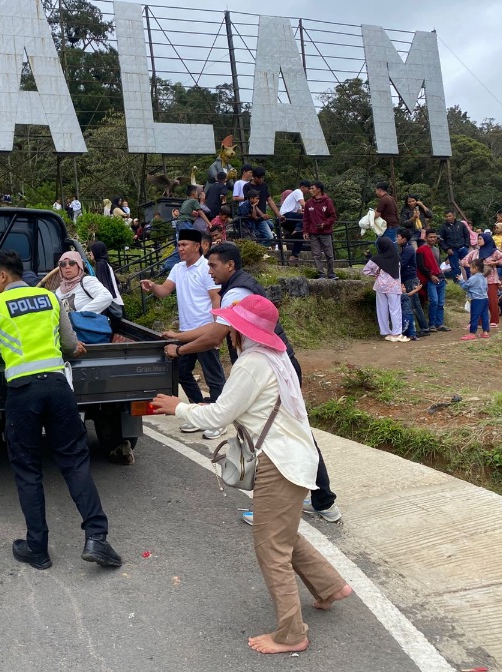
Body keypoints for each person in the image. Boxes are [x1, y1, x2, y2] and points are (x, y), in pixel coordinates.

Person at [151, 295, 352, 655]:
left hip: (279, 462)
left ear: (238, 331)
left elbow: (217, 418)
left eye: (230, 326)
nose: (227, 332)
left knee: (270, 546)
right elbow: (234, 408)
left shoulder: (250, 364)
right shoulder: (276, 358)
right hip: (297, 457)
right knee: (282, 533)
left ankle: (292, 635)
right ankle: (330, 586)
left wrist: (177, 407)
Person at [0, 250, 121, 569]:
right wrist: (74, 348)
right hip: (58, 389)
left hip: (23, 393)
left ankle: (37, 548)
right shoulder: (49, 298)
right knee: (74, 463)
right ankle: (97, 538)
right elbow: (70, 345)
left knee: (28, 470)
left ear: (3, 276)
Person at [161, 243, 342, 521]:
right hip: (282, 362)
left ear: (230, 265)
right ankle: (319, 502)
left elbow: (214, 337)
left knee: (273, 436)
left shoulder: (237, 297)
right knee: (288, 430)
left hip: (269, 368)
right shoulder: (240, 292)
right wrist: (180, 335)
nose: (209, 271)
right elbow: (216, 328)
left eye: (213, 265)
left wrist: (180, 396)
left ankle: (289, 506)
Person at [141, 228, 225, 438]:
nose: (180, 249)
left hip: (206, 331)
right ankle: (198, 414)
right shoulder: (178, 268)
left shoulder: (207, 267)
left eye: (184, 245)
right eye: (178, 245)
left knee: (213, 378)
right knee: (182, 373)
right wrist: (152, 286)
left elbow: (216, 300)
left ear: (197, 246)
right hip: (186, 332)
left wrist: (218, 330)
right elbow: (164, 291)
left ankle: (219, 421)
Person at [363, 237, 407, 342]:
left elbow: (366, 270)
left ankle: (385, 332)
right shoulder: (396, 258)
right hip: (393, 286)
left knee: (382, 309)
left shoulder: (376, 259)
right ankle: (396, 333)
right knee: (395, 309)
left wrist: (376, 274)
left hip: (380, 286)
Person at [460, 232, 502, 325]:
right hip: (477, 281)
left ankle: (494, 320)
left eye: (480, 239)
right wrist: (468, 265)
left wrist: (494, 263)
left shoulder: (494, 251)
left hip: (491, 280)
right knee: (478, 301)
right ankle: (478, 321)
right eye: (478, 239)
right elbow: (463, 260)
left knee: (492, 301)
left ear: (486, 240)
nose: (478, 241)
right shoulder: (475, 252)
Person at [398, 230, 430, 338]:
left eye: (398, 237)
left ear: (404, 238)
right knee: (413, 304)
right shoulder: (405, 249)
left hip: (410, 279)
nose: (396, 239)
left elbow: (402, 264)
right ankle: (420, 327)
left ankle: (424, 328)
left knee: (415, 304)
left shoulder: (408, 249)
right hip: (408, 278)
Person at [303, 181, 338, 280]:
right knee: (316, 254)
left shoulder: (328, 201)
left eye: (312, 188)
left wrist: (325, 224)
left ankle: (331, 273)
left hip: (325, 233)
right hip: (313, 233)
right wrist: (305, 231)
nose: (310, 190)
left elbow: (333, 216)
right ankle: (321, 273)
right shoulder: (309, 203)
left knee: (329, 254)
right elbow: (306, 218)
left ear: (319, 189)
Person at [420, 231, 451, 331]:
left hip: (440, 278)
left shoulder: (437, 250)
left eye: (434, 237)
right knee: (434, 301)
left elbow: (437, 266)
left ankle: (439, 324)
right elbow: (421, 266)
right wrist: (430, 276)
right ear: (425, 238)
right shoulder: (422, 250)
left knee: (441, 302)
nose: (433, 239)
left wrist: (443, 277)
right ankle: (432, 324)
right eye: (430, 237)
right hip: (430, 279)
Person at [459, 259, 491, 340]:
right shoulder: (484, 278)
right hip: (485, 298)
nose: (470, 270)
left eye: (470, 268)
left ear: (475, 268)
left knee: (474, 316)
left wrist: (461, 280)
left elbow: (465, 286)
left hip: (476, 299)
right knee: (484, 315)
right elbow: (486, 288)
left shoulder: (473, 278)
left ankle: (472, 333)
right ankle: (485, 332)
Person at [88, 241, 125, 311]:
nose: (90, 253)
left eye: (92, 251)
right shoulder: (105, 263)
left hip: (113, 306)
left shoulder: (101, 264)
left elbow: (102, 285)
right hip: (117, 303)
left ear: (97, 252)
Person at [279, 180, 308, 262]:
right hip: (286, 215)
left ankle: (294, 255)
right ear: (302, 187)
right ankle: (297, 228)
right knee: (307, 218)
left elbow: (299, 211)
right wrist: (313, 211)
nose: (308, 191)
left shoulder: (295, 196)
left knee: (300, 235)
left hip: (290, 218)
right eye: (308, 188)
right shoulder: (298, 191)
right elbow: (304, 204)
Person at [439, 211, 471, 282]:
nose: (448, 218)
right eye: (446, 216)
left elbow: (467, 235)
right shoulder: (443, 227)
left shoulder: (461, 224)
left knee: (467, 265)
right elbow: (441, 240)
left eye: (449, 216)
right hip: (452, 250)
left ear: (454, 216)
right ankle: (458, 283)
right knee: (455, 268)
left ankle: (471, 281)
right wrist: (447, 249)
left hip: (463, 248)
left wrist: (466, 246)